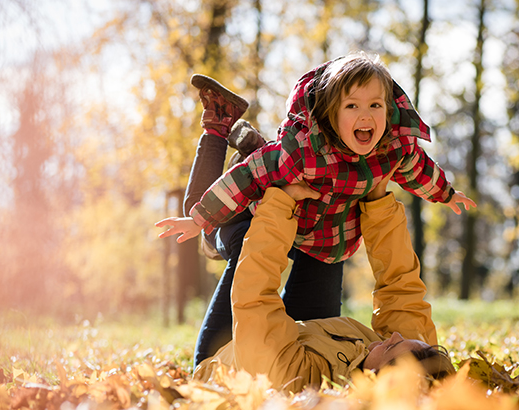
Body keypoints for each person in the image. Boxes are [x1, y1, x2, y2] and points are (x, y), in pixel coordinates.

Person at [156, 51, 476, 366]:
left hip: (322, 238)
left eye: (375, 106)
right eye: (353, 106)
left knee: (307, 319)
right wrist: (198, 219)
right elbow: (245, 179)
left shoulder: (393, 148)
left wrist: (445, 193)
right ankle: (219, 125)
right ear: (331, 113)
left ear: (389, 110)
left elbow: (418, 167)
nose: (366, 116)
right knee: (220, 230)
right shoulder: (303, 152)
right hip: (267, 207)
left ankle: (252, 148)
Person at [193, 175, 456, 392]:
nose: (395, 336)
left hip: (228, 352)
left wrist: (281, 201)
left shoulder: (293, 381)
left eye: (391, 345)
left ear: (376, 378)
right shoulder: (423, 359)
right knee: (330, 245)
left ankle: (212, 230)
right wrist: (378, 203)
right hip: (306, 341)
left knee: (243, 240)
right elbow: (401, 285)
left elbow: (254, 293)